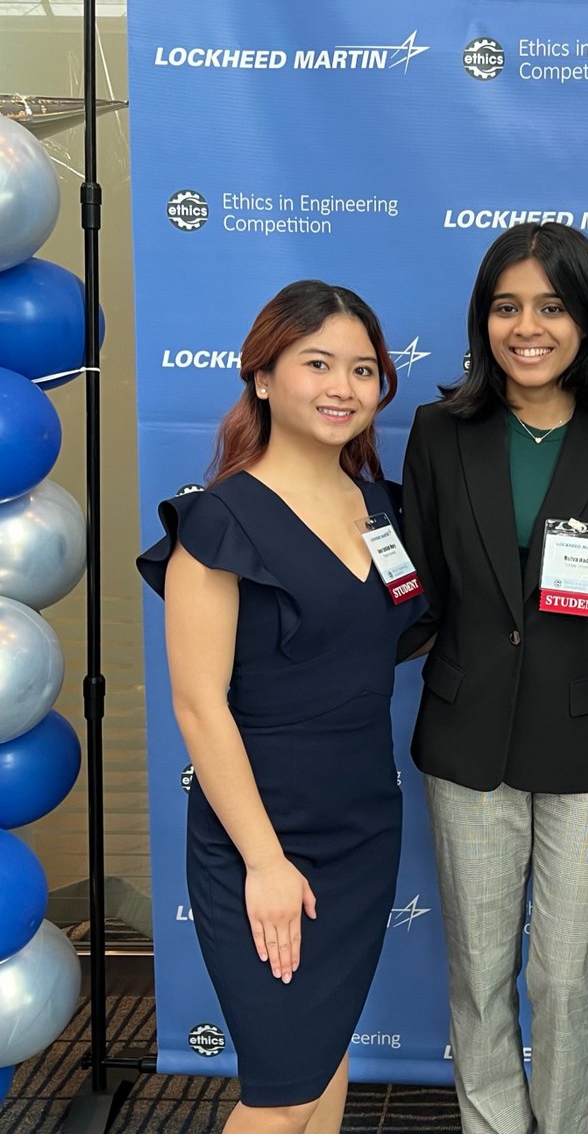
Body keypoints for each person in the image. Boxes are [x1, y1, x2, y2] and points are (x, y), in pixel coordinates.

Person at [137, 280, 426, 1134]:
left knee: (326, 1051)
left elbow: (394, 638)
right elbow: (199, 707)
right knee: (284, 1090)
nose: (344, 386)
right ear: (263, 378)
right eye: (318, 363)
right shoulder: (217, 521)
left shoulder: (385, 509)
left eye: (364, 369)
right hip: (261, 836)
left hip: (365, 826)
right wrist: (265, 861)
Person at [401, 222, 588, 1134]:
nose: (528, 327)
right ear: (482, 322)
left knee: (563, 979)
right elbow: (420, 587)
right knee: (479, 977)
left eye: (551, 307)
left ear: (586, 321)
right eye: (506, 306)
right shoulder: (441, 433)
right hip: (467, 740)